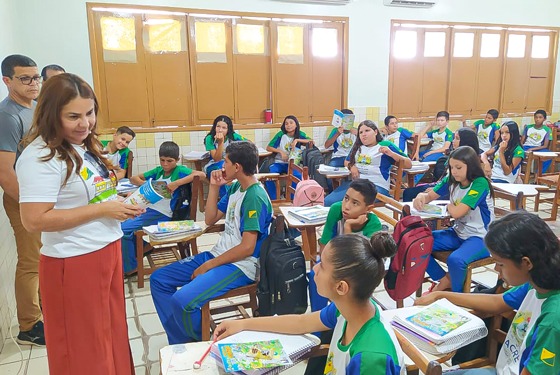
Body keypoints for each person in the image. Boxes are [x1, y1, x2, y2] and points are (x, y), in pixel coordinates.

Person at [16, 73, 143, 374]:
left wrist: (119, 205)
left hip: (105, 249)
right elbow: (33, 220)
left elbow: (89, 195)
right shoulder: (40, 157)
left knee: (109, 335)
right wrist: (102, 211)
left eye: (90, 113)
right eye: (73, 116)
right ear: (51, 114)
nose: (85, 124)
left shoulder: (80, 146)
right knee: (84, 348)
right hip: (74, 262)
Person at [215, 233, 406, 375]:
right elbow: (301, 323)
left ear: (341, 287)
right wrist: (242, 324)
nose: (314, 269)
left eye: (322, 265)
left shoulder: (370, 359)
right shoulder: (349, 309)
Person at [151, 141, 273, 344]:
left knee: (183, 301)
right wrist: (215, 187)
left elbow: (247, 247)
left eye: (225, 162)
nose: (222, 166)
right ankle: (184, 337)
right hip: (220, 255)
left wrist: (208, 265)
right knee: (159, 280)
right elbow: (210, 219)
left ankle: (201, 341)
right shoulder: (236, 187)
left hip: (241, 265)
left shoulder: (255, 196)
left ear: (237, 167)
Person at [415, 211, 560, 375]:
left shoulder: (552, 319)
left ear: (526, 263)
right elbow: (497, 302)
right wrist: (441, 295)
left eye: (500, 264)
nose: (496, 269)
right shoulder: (537, 282)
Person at [0, 54, 44, 345]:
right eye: (25, 78)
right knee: (30, 262)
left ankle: (42, 309)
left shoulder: (33, 108)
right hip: (23, 200)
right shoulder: (8, 116)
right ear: (7, 81)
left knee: (42, 257)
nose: (33, 84)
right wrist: (28, 206)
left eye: (36, 77)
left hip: (40, 196)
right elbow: (5, 172)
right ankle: (29, 326)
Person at [413, 146, 494, 293]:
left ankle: (456, 296)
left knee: (456, 260)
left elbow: (457, 212)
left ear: (470, 167)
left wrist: (449, 206)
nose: (454, 171)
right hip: (457, 232)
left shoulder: (480, 183)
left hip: (480, 237)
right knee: (416, 243)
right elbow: (430, 196)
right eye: (451, 167)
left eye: (458, 167)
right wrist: (420, 197)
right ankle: (444, 281)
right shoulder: (451, 178)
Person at [120, 141, 205, 274]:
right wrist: (148, 185)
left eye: (169, 161)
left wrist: (176, 183)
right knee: (121, 224)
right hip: (150, 209)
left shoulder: (180, 170)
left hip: (165, 214)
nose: (165, 164)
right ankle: (143, 247)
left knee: (123, 230)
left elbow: (201, 175)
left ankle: (131, 267)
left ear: (177, 160)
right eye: (162, 160)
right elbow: (133, 178)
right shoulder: (159, 171)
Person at [309, 179, 382, 312]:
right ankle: (318, 316)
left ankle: (341, 315)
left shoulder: (373, 226)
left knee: (344, 286)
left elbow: (356, 263)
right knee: (315, 273)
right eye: (346, 199)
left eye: (355, 203)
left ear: (368, 209)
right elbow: (325, 244)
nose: (346, 206)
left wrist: (348, 227)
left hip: (358, 270)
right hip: (334, 260)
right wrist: (326, 266)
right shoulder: (336, 210)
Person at [324, 120, 412, 207]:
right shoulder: (358, 146)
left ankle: (354, 220)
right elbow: (347, 161)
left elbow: (408, 164)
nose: (364, 134)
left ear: (375, 132)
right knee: (328, 202)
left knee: (347, 204)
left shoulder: (385, 145)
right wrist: (352, 167)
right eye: (361, 132)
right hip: (358, 184)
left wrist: (392, 154)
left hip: (377, 186)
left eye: (367, 130)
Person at [265, 115, 313, 199]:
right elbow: (268, 147)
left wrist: (297, 140)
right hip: (279, 163)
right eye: (286, 123)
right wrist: (280, 152)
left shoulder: (300, 134)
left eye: (291, 123)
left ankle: (292, 198)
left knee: (297, 175)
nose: (288, 125)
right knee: (270, 175)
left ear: (296, 125)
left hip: (293, 164)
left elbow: (312, 141)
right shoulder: (281, 134)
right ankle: (274, 198)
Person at [203, 115, 245, 197]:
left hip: (230, 164)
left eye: (224, 128)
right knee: (221, 172)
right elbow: (217, 159)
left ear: (228, 129)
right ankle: (225, 200)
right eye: (218, 126)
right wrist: (220, 142)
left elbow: (249, 144)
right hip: (214, 165)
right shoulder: (210, 138)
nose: (220, 130)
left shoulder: (233, 136)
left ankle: (237, 198)